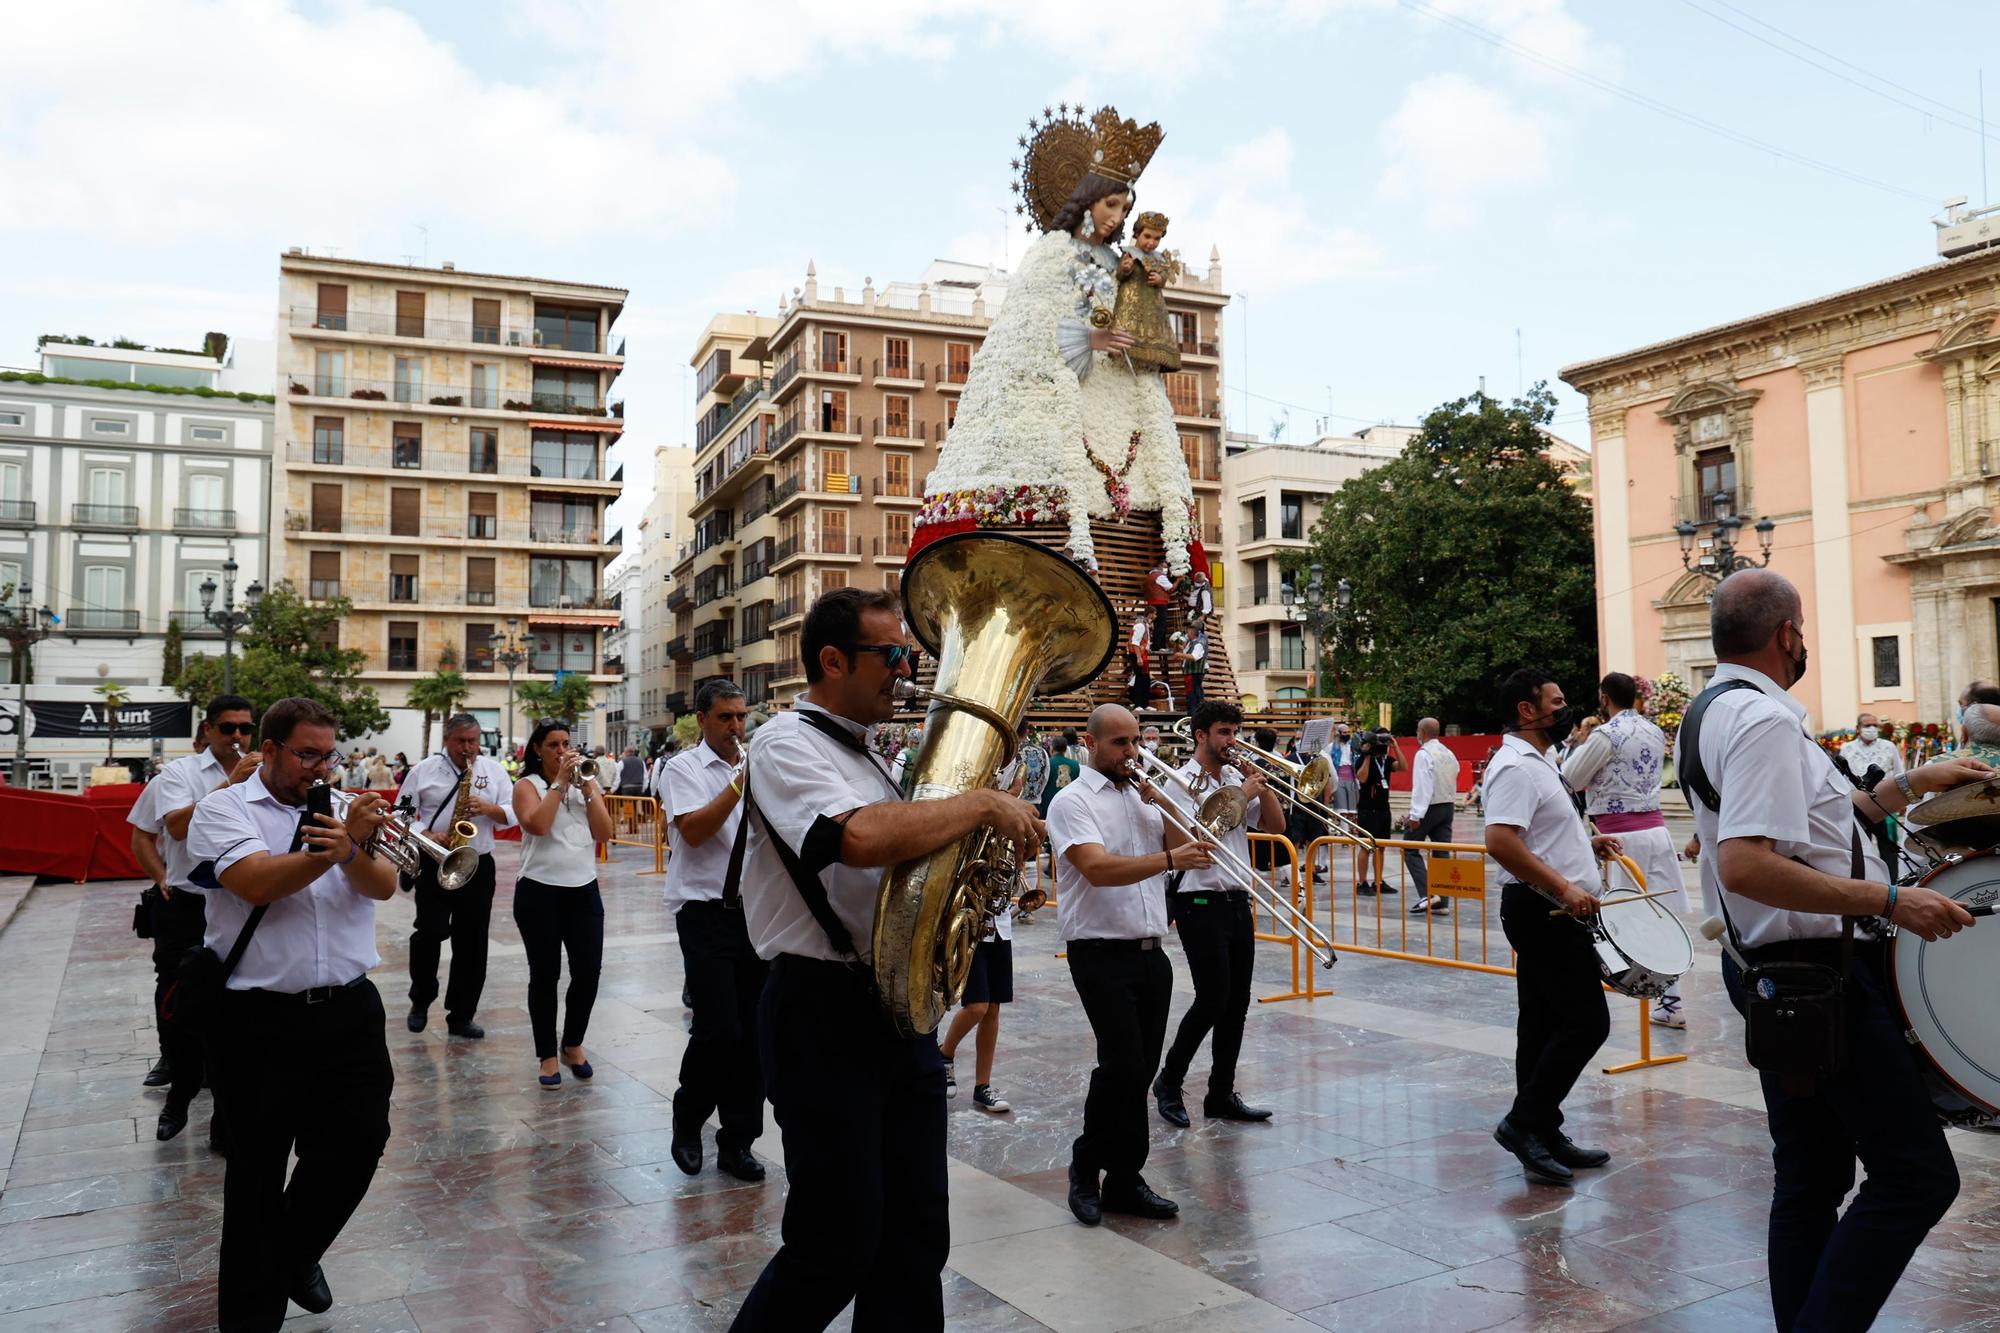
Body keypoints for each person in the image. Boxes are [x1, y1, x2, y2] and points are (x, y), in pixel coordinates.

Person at [729, 588, 1043, 1332]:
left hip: (895, 1014)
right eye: (891, 655)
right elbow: (858, 837)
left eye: (908, 654)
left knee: (913, 1241)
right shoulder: (783, 743)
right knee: (835, 1243)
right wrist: (978, 807)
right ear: (832, 661)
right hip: (818, 1012)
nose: (906, 669)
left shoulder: (870, 757)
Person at [1677, 569, 1983, 1331]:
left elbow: (1815, 823)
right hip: (1818, 976)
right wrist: (1891, 899)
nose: (1805, 640)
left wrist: (1911, 783)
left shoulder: (1715, 708)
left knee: (1811, 1176)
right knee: (1915, 1177)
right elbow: (1746, 861)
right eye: (1804, 628)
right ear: (1787, 634)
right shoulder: (1762, 721)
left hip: (1778, 972)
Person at [186, 696, 398, 1331]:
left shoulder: (342, 810)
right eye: (305, 754)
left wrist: (355, 848)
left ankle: (296, 1251)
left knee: (362, 1142)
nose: (318, 767)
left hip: (349, 1009)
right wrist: (334, 851)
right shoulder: (223, 809)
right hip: (257, 1021)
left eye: (326, 754)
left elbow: (384, 886)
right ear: (269, 751)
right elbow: (255, 882)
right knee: (255, 1178)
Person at [1049, 703, 1212, 1227]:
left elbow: (1191, 849)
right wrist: (1168, 861)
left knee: (1139, 1070)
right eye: (1120, 743)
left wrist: (1162, 803)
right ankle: (1085, 1164)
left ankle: (1124, 1179)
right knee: (1120, 1065)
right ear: (1091, 745)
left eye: (1136, 741)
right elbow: (1095, 869)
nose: (1132, 752)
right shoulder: (1071, 802)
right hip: (1099, 953)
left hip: (1150, 952)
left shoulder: (1143, 798)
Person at [1482, 668, 1625, 1186]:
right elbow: (1501, 841)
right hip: (1544, 910)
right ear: (1527, 709)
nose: (1566, 709)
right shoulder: (1516, 766)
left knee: (1540, 1024)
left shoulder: (1543, 761)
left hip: (1551, 907)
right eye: (1557, 701)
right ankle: (1523, 1124)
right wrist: (1565, 888)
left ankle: (1543, 1127)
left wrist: (1587, 846)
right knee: (1588, 1022)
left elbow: (1537, 835)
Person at [127, 694, 261, 1144]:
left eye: (245, 728)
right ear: (207, 730)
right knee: (181, 1002)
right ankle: (179, 1096)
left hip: (239, 900)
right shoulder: (180, 774)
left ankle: (225, 1117)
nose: (238, 737)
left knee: (235, 1009)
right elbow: (175, 828)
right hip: (187, 903)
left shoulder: (262, 775)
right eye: (228, 728)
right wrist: (160, 875)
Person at [1153, 700, 1284, 1127]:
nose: (1232, 741)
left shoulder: (1234, 777)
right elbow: (1200, 838)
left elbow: (1276, 828)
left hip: (1237, 900)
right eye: (1224, 733)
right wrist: (1240, 795)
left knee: (1238, 1003)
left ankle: (1220, 1093)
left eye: (1235, 732)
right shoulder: (1179, 783)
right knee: (1212, 999)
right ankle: (1169, 1082)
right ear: (1200, 735)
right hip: (1199, 900)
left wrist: (1261, 789)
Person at [662, 679, 767, 1180]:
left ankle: (739, 1142)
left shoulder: (755, 766)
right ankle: (689, 1116)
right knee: (718, 1028)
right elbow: (696, 830)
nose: (736, 727)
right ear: (701, 719)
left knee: (753, 1035)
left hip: (756, 912)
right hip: (704, 912)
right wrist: (737, 786)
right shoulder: (682, 769)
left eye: (742, 717)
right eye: (726, 718)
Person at [1558, 672, 1690, 1029]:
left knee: (1621, 918)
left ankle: (1628, 984)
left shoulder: (1607, 734)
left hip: (1620, 838)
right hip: (1656, 831)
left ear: (1604, 697)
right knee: (1660, 914)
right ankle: (1671, 1000)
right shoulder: (1653, 730)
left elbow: (1569, 777)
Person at [394, 714, 516, 1039]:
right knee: (428, 933)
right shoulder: (422, 771)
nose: (468, 748)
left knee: (473, 942)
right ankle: (421, 999)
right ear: (447, 740)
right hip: (435, 861)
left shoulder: (494, 771)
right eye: (461, 741)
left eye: (472, 741)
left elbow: (515, 811)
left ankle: (462, 1015)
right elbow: (401, 811)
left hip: (478, 864)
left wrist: (489, 809)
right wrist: (426, 834)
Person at [511, 718, 613, 1089]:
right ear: (537, 749)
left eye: (566, 743)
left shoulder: (586, 783)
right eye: (553, 744)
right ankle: (547, 1055)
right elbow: (536, 825)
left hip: (583, 890)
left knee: (588, 972)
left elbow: (605, 833)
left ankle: (572, 1043)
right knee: (545, 975)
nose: (562, 751)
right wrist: (558, 784)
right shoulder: (528, 785)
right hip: (539, 891)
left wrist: (586, 788)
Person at [1404, 719, 1462, 915]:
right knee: (1441, 852)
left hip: (1430, 807)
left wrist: (1415, 815)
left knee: (1410, 848)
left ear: (1422, 732)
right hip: (1448, 805)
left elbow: (1423, 786)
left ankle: (1428, 895)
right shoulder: (1448, 752)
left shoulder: (1424, 754)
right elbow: (1456, 772)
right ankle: (1442, 901)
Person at [1353, 729, 1400, 895]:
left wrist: (1395, 745)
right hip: (1367, 808)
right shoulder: (1363, 759)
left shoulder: (1387, 761)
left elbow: (1403, 767)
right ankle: (1362, 882)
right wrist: (1368, 755)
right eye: (1379, 742)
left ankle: (1378, 881)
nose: (1382, 746)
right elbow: (1362, 778)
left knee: (1381, 847)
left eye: (1384, 742)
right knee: (1366, 846)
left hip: (1383, 808)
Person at [1144, 562, 1174, 652]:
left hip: (1151, 602)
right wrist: (1179, 581)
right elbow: (1170, 588)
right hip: (1160, 603)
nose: (1166, 569)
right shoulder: (1159, 576)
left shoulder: (1149, 576)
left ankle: (1156, 644)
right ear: (1160, 567)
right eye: (1165, 567)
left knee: (1155, 625)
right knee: (1161, 625)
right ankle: (1159, 645)